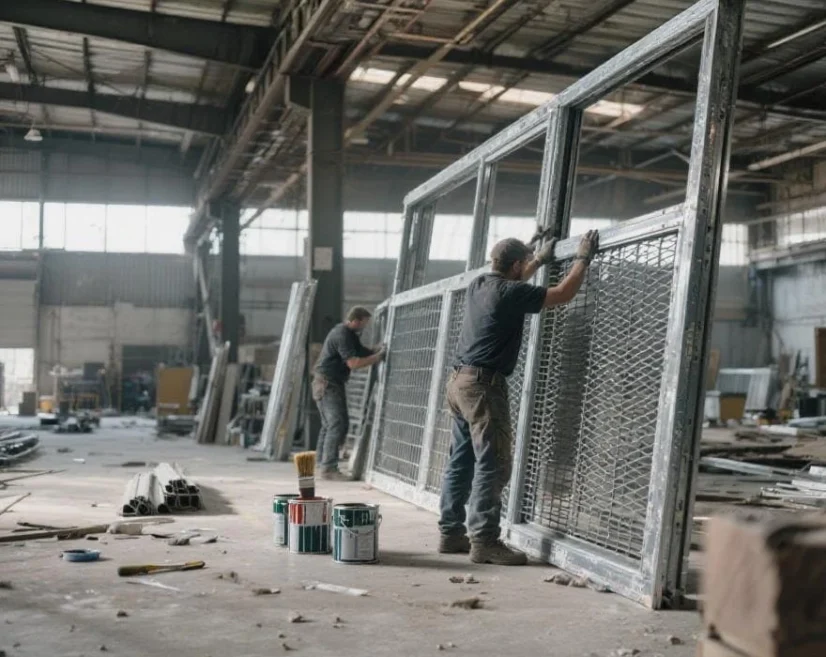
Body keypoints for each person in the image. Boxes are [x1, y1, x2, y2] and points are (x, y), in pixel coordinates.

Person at [438, 229, 600, 565]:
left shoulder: (479, 284)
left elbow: (515, 281)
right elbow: (563, 293)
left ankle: (451, 533)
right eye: (523, 264)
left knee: (461, 462)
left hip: (458, 384)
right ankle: (484, 541)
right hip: (483, 388)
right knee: (494, 463)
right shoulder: (511, 291)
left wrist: (537, 259)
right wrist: (583, 258)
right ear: (515, 265)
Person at [312, 306, 385, 480]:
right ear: (355, 321)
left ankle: (322, 463)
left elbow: (361, 351)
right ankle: (328, 468)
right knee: (336, 424)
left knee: (330, 425)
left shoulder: (350, 335)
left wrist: (375, 349)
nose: (364, 327)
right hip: (327, 384)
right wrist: (378, 357)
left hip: (328, 382)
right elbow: (353, 363)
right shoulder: (342, 334)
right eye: (364, 323)